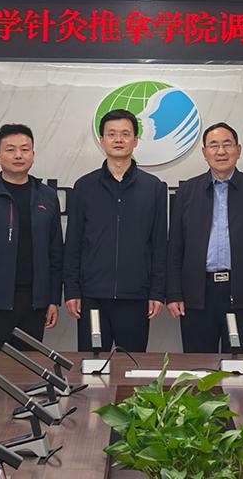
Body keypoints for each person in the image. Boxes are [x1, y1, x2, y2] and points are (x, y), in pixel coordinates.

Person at [166, 122, 243, 353]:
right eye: (214, 145)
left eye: (227, 145)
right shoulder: (187, 191)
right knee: (198, 367)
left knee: (240, 366)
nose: (221, 151)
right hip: (197, 296)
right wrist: (174, 293)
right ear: (204, 152)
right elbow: (175, 247)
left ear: (238, 150)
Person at [63, 109, 167, 352]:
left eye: (125, 134)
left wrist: (157, 292)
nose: (118, 139)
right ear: (102, 140)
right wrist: (72, 290)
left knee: (131, 367)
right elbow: (74, 242)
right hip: (92, 296)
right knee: (92, 365)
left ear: (135, 140)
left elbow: (159, 244)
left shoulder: (153, 188)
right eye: (111, 134)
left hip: (136, 297)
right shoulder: (84, 186)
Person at [0, 124, 63, 351]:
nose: (18, 155)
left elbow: (55, 253)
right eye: (10, 149)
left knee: (30, 367)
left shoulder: (46, 196)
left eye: (25, 149)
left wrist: (53, 299)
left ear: (33, 155)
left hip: (35, 303)